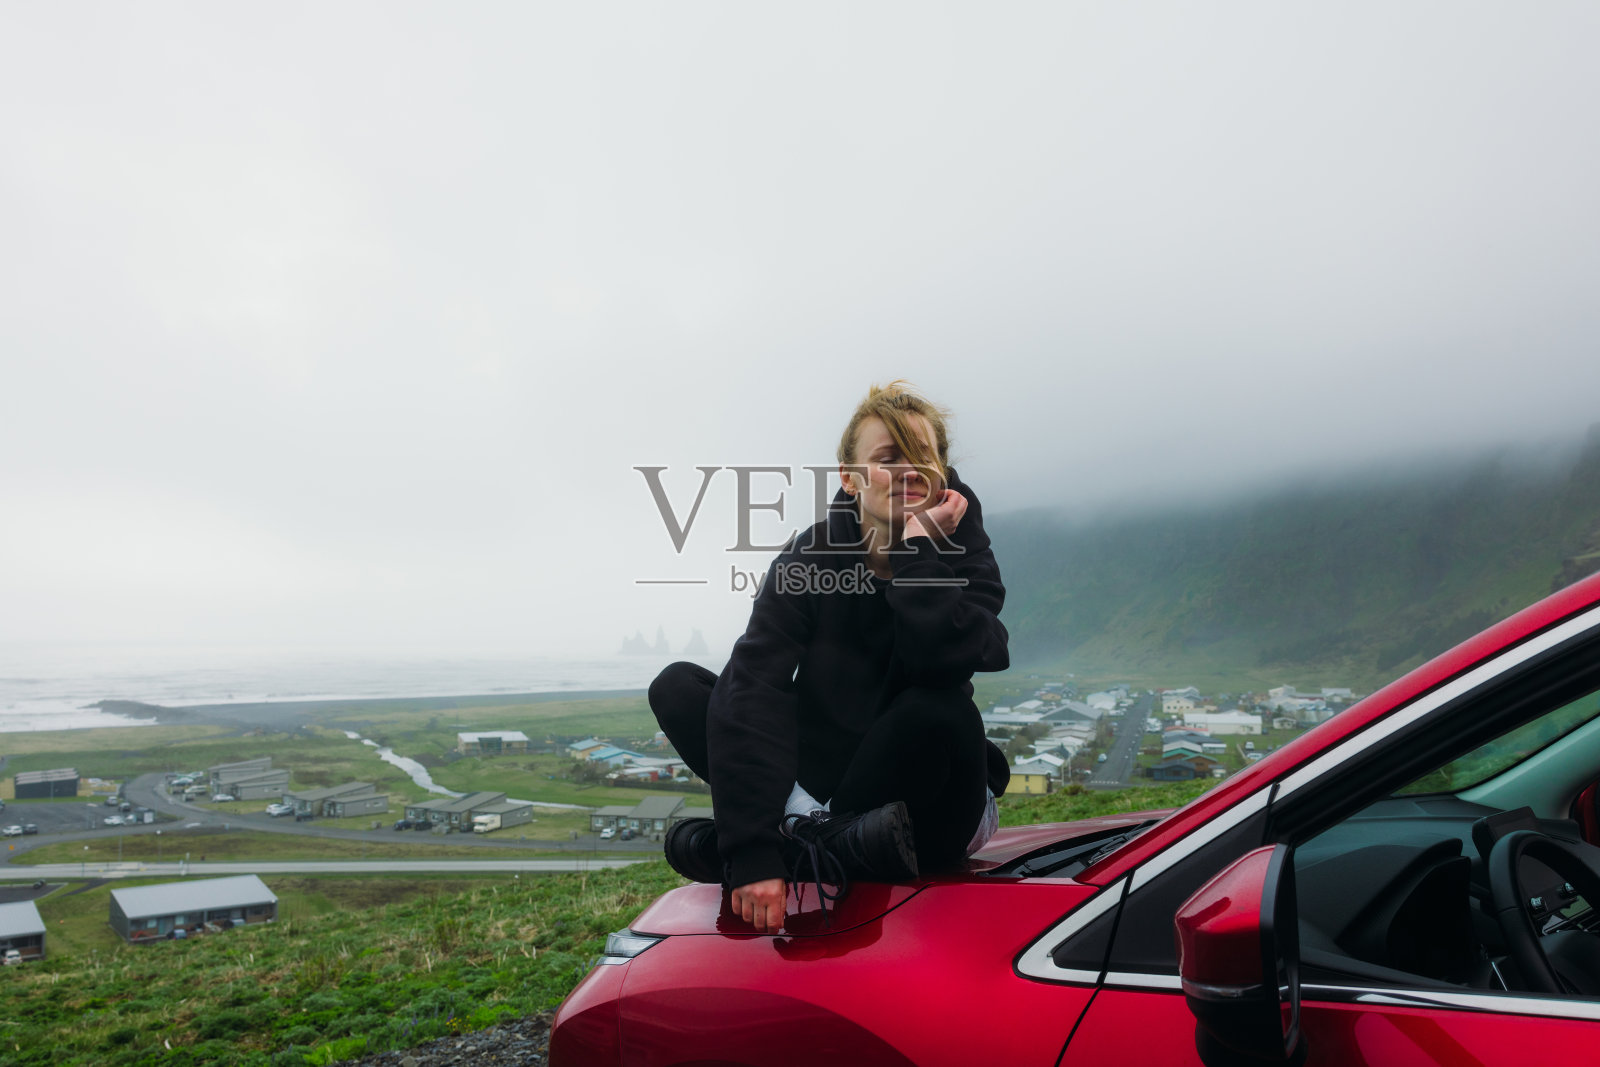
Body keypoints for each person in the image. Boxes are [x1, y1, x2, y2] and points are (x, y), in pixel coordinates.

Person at [649, 380, 1010, 932]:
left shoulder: (965, 551)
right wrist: (751, 854)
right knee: (681, 687)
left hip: (935, 799)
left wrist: (918, 552)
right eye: (887, 458)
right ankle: (811, 840)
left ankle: (801, 842)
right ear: (850, 476)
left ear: (943, 475)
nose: (909, 471)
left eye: (923, 458)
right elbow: (755, 686)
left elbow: (948, 659)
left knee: (939, 707)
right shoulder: (810, 557)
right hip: (836, 787)